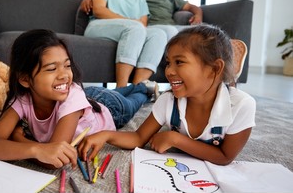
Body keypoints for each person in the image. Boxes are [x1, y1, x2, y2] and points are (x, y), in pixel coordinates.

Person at [78, 25, 256, 166]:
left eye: (179, 62)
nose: (169, 71)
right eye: (168, 63)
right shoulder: (168, 100)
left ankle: (231, 75)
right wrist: (106, 135)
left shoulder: (242, 105)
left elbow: (224, 156)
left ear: (215, 68)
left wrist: (176, 139)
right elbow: (138, 138)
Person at [0, 29, 153, 169]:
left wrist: (20, 139)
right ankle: (136, 88)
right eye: (51, 69)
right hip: (87, 97)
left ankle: (143, 88)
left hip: (110, 108)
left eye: (67, 65)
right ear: (25, 79)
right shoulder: (23, 99)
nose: (64, 74)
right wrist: (35, 149)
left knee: (134, 101)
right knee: (119, 91)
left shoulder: (72, 97)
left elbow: (52, 161)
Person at [83, 0, 167, 88]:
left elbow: (143, 24)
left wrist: (132, 24)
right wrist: (130, 21)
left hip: (130, 31)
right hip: (98, 27)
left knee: (159, 34)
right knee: (135, 27)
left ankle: (134, 88)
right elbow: (99, 10)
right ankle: (121, 89)